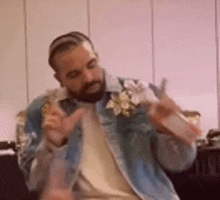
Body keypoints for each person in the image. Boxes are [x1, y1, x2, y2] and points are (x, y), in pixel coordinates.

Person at [17, 31, 198, 200]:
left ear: (98, 58)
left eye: (91, 65)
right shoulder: (44, 111)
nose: (88, 78)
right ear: (59, 79)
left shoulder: (141, 93)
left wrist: (172, 127)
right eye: (74, 74)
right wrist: (53, 145)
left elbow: (181, 163)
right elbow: (35, 184)